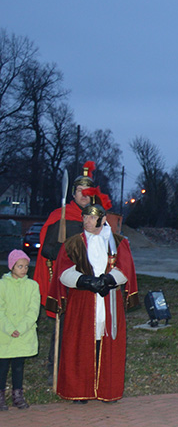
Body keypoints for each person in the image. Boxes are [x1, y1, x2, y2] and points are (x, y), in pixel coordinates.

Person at [47, 187, 138, 403]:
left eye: (91, 217)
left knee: (107, 343)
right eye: (85, 217)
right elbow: (63, 271)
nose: (86, 221)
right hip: (82, 301)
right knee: (80, 343)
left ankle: (107, 389)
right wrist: (85, 281)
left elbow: (125, 269)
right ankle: (79, 390)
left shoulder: (118, 242)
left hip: (109, 300)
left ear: (103, 219)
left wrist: (108, 280)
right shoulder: (73, 243)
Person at [34, 161, 96, 378]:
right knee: (63, 327)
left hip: (89, 283)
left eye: (87, 191)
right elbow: (47, 250)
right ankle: (56, 369)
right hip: (66, 281)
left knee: (86, 329)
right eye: (80, 191)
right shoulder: (60, 216)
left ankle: (81, 370)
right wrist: (64, 252)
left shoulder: (98, 219)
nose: (84, 195)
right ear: (73, 193)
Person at [0, 250, 40, 410]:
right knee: (2, 366)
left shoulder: (32, 286)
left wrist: (21, 328)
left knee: (18, 366)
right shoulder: (2, 285)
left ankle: (18, 395)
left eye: (26, 266)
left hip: (24, 334)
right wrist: (9, 329)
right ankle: (1, 395)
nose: (24, 269)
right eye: (20, 266)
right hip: (4, 334)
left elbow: (33, 310)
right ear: (12, 266)